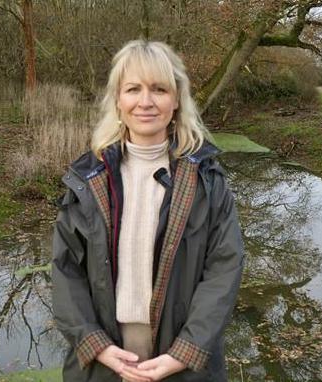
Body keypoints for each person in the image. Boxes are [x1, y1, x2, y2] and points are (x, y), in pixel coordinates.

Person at [51, 40, 244, 382]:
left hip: (183, 366)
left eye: (158, 89)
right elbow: (66, 270)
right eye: (133, 89)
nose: (145, 102)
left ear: (176, 100)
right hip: (103, 365)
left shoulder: (207, 181)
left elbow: (223, 270)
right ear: (118, 100)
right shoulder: (88, 179)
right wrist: (96, 346)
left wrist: (183, 354)